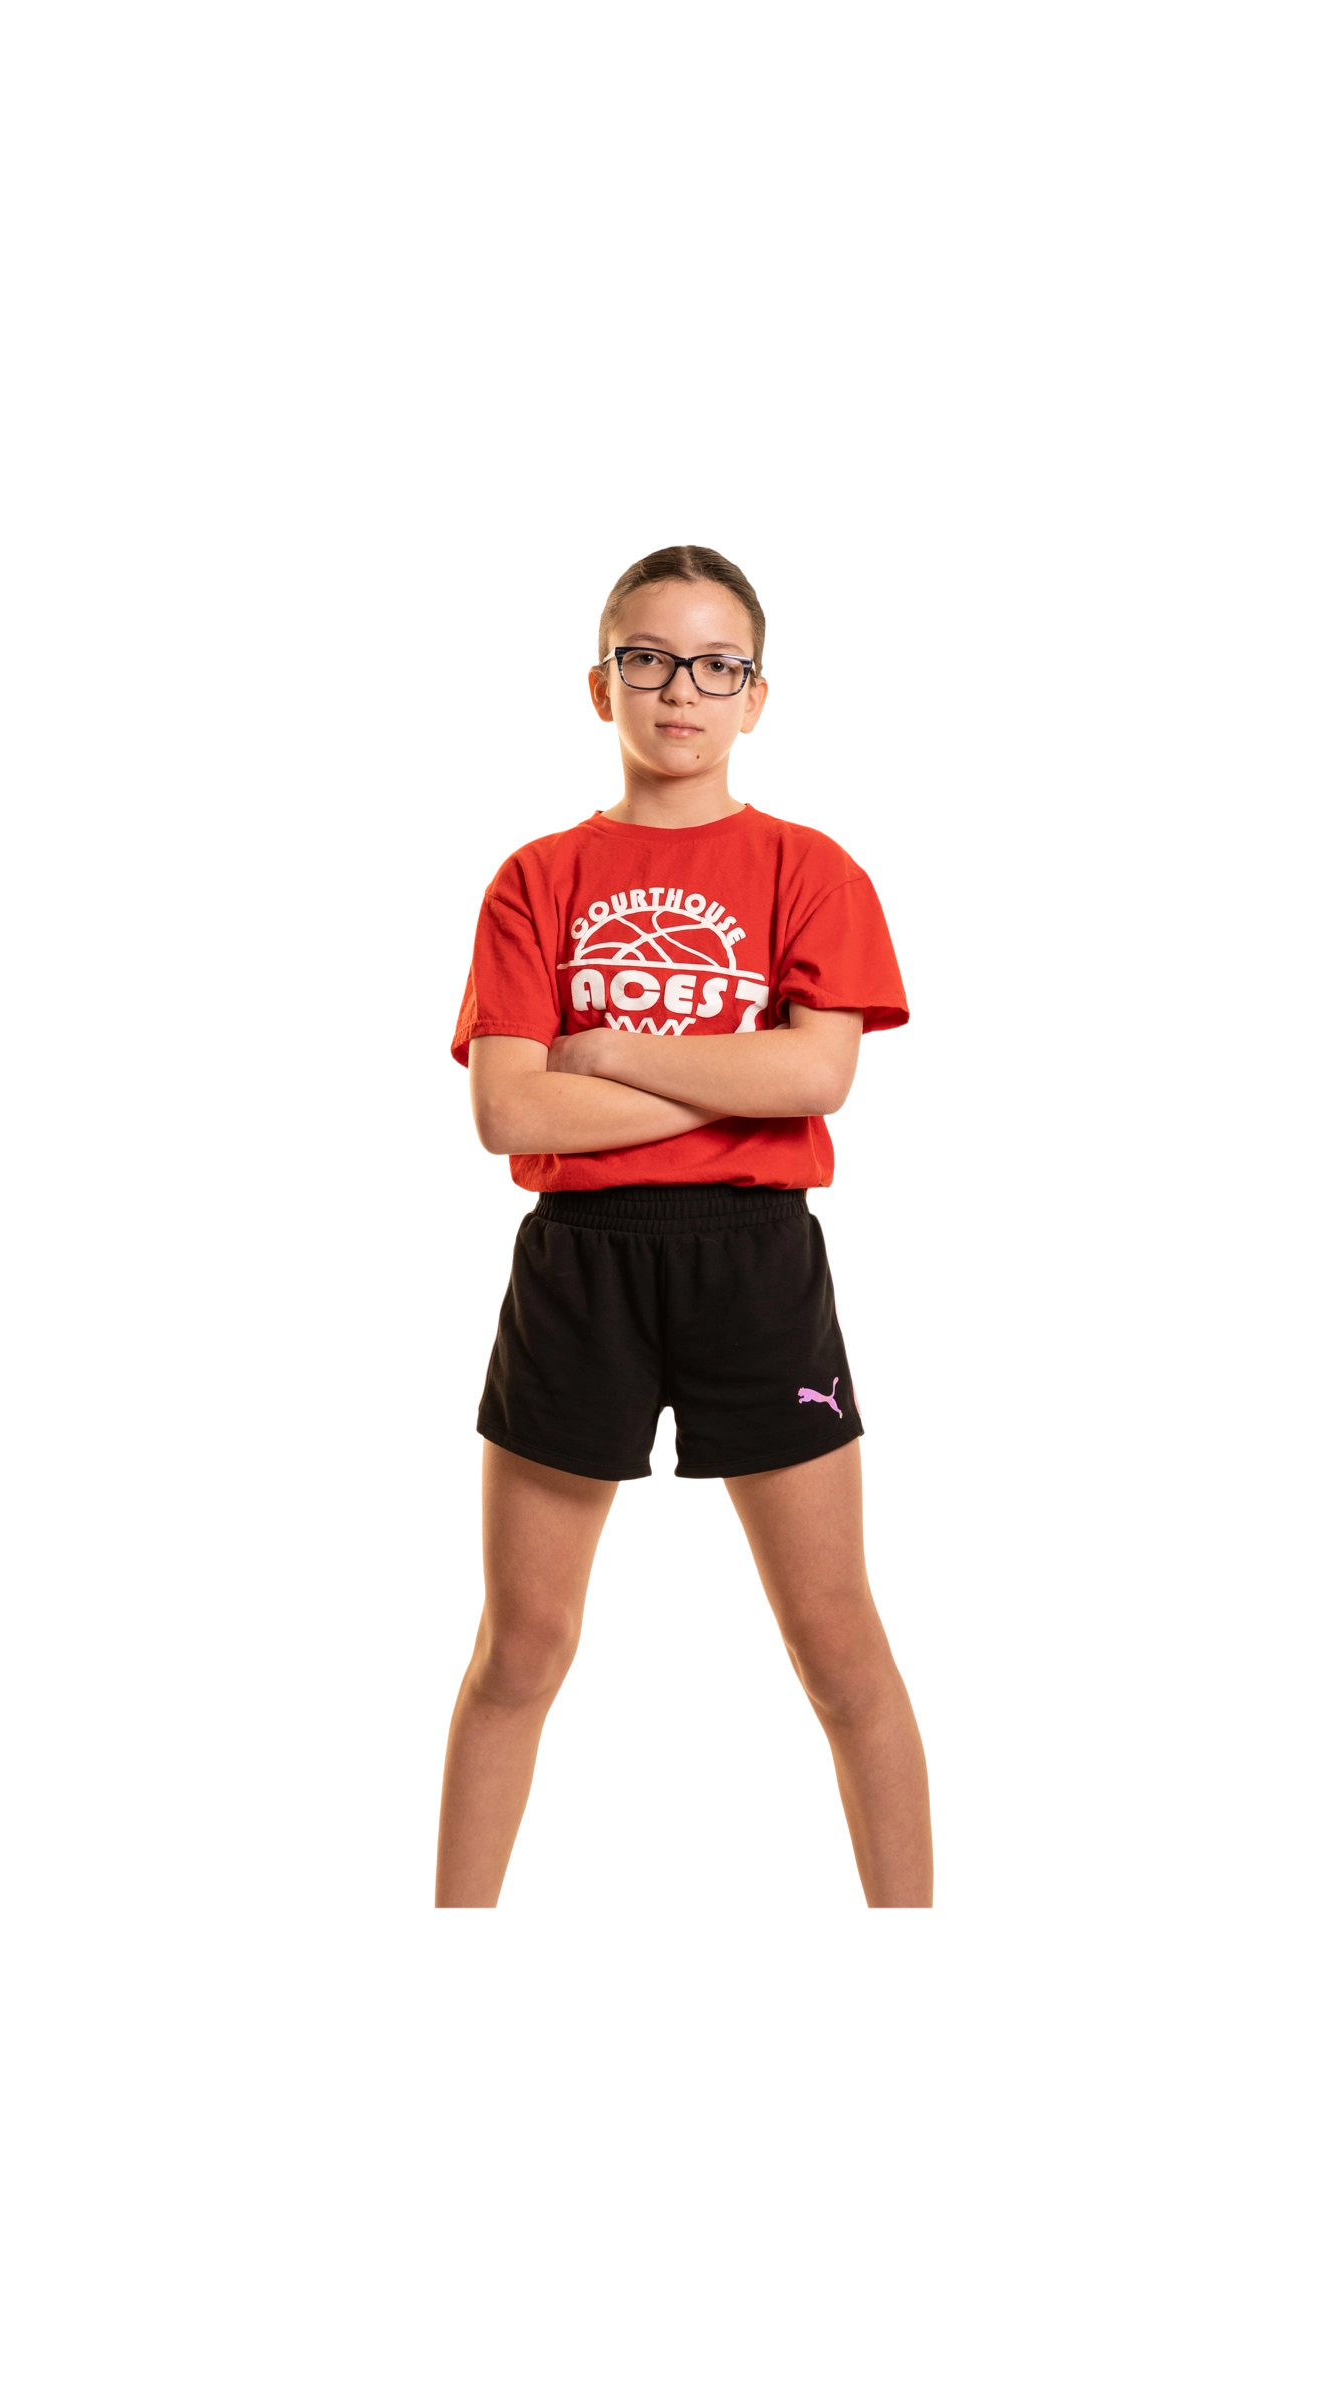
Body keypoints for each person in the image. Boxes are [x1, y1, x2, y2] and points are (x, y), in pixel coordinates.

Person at [436, 543, 932, 1908]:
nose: (681, 690)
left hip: (755, 1263)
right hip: (579, 1268)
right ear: (601, 684)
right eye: (648, 657)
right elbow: (506, 1109)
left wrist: (605, 1055)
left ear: (757, 695)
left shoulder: (810, 868)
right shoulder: (536, 878)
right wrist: (730, 1074)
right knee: (521, 1649)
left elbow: (816, 1076)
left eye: (718, 665)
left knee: (836, 1646)